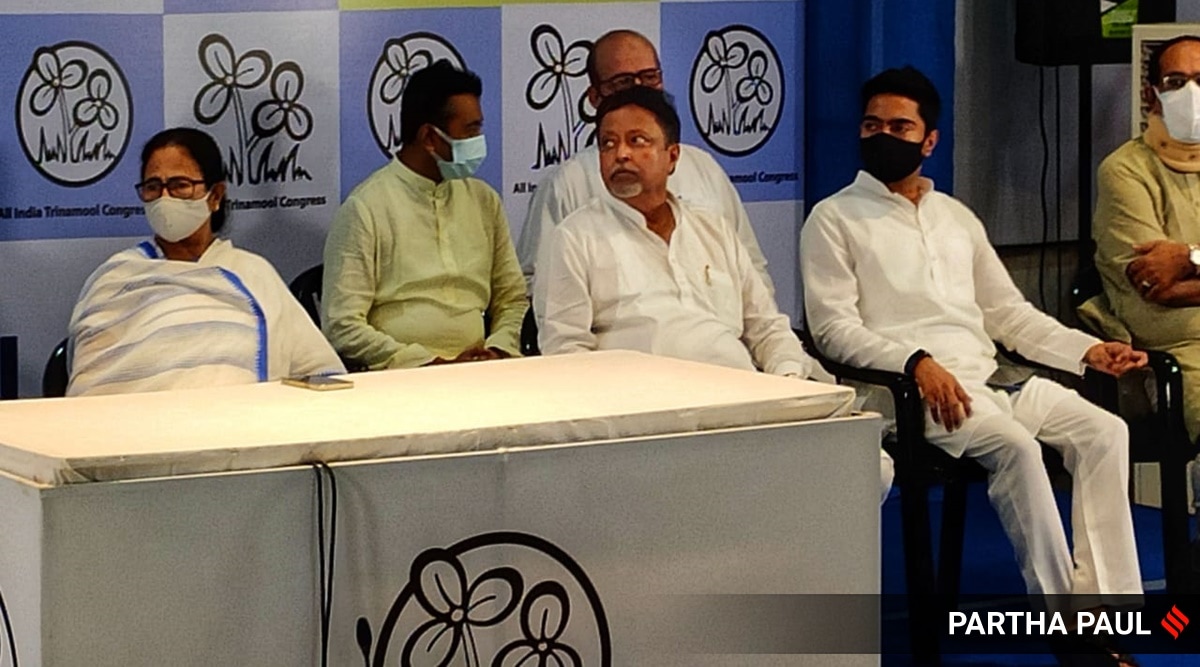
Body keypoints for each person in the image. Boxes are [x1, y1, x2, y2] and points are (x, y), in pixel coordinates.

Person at [802, 67, 1147, 621]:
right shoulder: (833, 218)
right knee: (1017, 447)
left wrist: (1085, 350)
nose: (883, 136)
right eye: (872, 125)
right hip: (911, 394)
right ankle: (1066, 624)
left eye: (899, 126)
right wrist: (916, 363)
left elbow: (1008, 314)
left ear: (929, 141)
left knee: (1104, 431)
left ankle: (1108, 606)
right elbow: (832, 331)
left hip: (992, 378)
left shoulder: (955, 216)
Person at [538, 87, 891, 502]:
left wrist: (787, 385)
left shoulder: (713, 229)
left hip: (744, 399)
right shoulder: (576, 237)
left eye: (637, 141)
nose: (620, 155)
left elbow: (766, 326)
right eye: (608, 144)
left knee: (867, 462)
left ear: (672, 157)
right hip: (649, 414)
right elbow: (565, 352)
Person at [68, 127, 344, 396]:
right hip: (134, 434)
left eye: (180, 186)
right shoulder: (117, 276)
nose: (165, 198)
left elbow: (317, 369)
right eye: (153, 187)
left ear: (215, 196)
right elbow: (92, 377)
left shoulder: (252, 273)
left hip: (238, 429)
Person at [519, 29, 773, 312]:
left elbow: (753, 269)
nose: (640, 89)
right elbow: (538, 288)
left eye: (650, 77)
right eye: (624, 81)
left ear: (672, 157)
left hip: (721, 346)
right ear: (594, 96)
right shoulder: (567, 184)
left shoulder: (704, 168)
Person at [323, 61, 526, 370]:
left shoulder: (484, 200)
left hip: (485, 372)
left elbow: (513, 298)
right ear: (430, 138)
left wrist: (497, 350)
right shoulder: (367, 207)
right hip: (403, 381)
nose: (479, 141)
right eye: (471, 131)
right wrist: (428, 363)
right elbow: (341, 324)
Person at [1090, 35, 1200, 479]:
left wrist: (1189, 256)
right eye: (1176, 82)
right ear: (1150, 93)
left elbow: (1179, 278)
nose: (1191, 93)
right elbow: (1158, 292)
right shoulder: (1125, 171)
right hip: (1183, 348)